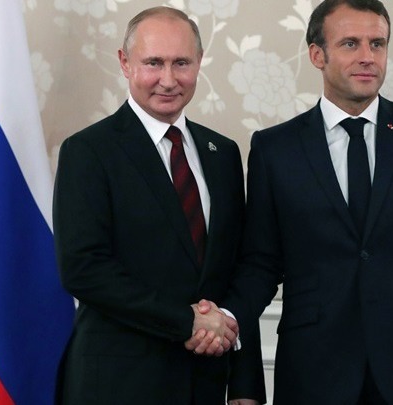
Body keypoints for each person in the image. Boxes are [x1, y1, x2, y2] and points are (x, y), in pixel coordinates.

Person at [222, 0, 393, 403]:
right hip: (313, 372)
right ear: (317, 55)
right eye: (350, 43)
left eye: (377, 44)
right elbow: (260, 263)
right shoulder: (274, 149)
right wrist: (226, 320)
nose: (368, 57)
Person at [52, 6, 264, 405]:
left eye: (181, 63)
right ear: (125, 62)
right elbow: (83, 268)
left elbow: (238, 268)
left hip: (205, 383)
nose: (168, 80)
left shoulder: (222, 152)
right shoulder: (88, 151)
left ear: (199, 62)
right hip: (117, 385)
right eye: (153, 63)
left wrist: (245, 384)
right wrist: (187, 321)